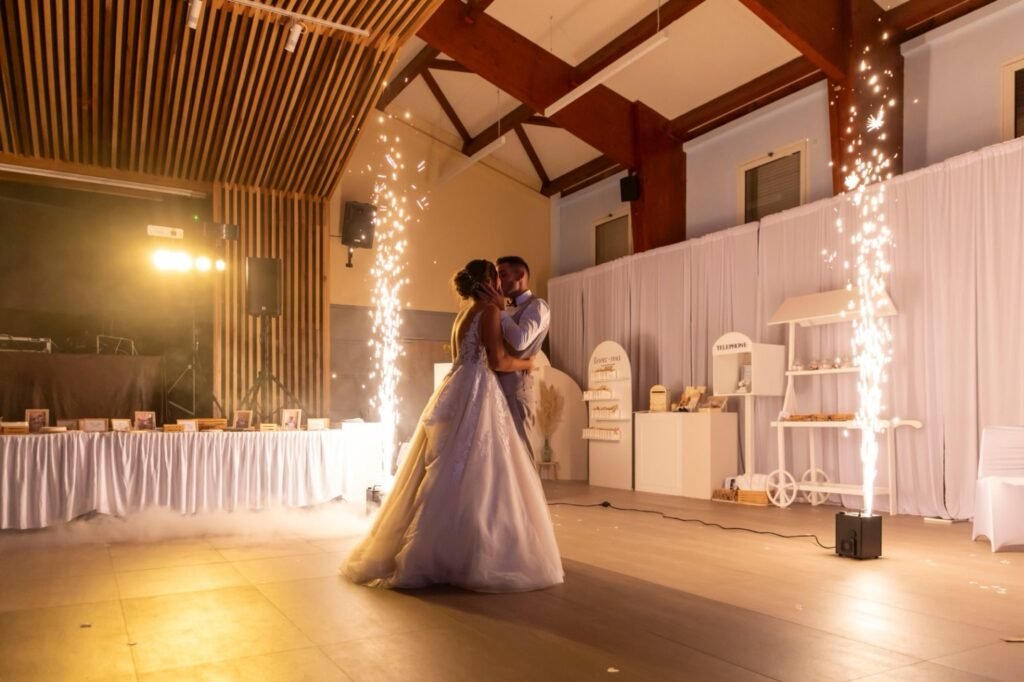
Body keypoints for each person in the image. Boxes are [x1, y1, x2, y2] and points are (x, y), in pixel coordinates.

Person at [342, 260, 563, 592]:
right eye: (496, 277)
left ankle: (444, 542)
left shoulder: (464, 314)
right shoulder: (489, 312)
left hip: (455, 386)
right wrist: (530, 362)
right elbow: (499, 361)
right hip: (479, 390)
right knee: (482, 469)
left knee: (453, 467)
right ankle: (472, 550)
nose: (500, 284)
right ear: (488, 282)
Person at [481, 256, 550, 461]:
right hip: (495, 385)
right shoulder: (503, 308)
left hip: (517, 387)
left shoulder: (538, 306)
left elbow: (521, 341)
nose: (498, 282)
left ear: (520, 275)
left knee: (522, 453)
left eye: (502, 274)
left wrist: (501, 312)